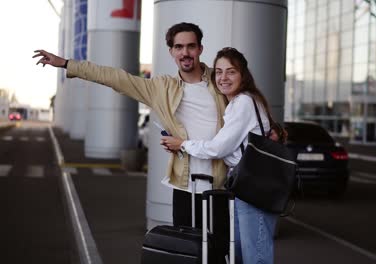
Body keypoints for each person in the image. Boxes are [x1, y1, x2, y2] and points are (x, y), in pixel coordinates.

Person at [33, 22, 228, 229]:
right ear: (171, 51)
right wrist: (66, 64)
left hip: (221, 185)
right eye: (179, 47)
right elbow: (115, 77)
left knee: (222, 253)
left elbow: (248, 105)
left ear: (200, 49)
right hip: (185, 186)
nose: (185, 52)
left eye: (191, 46)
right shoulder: (160, 88)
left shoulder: (221, 81)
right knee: (189, 253)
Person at [162, 47, 279, 264]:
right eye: (218, 71)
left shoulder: (243, 102)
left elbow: (219, 148)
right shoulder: (239, 102)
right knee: (242, 255)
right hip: (245, 186)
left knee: (256, 256)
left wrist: (183, 144)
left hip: (255, 187)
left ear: (243, 75)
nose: (223, 78)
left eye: (231, 71)